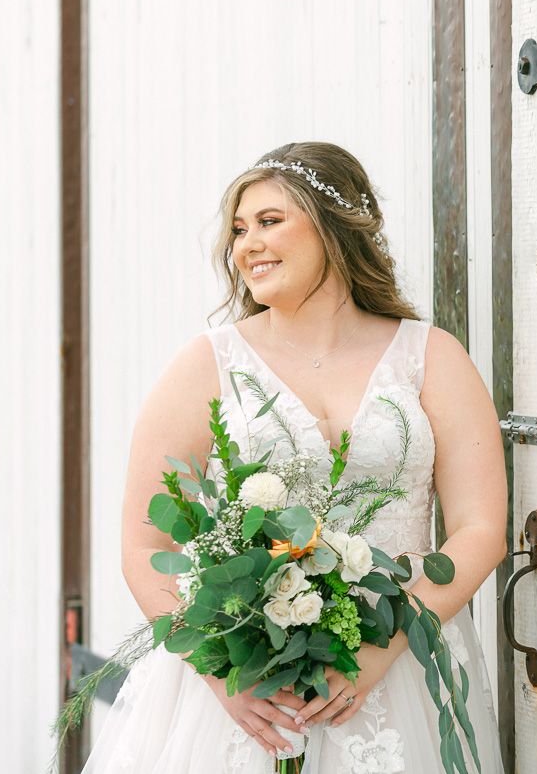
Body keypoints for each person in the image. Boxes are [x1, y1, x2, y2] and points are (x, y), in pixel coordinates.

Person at [81, 141, 508, 772]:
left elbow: (480, 531)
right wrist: (222, 673)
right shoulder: (207, 366)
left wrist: (388, 647)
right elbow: (143, 545)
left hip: (401, 671)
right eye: (237, 230)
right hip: (243, 692)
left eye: (269, 221)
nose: (246, 244)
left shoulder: (432, 358)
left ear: (334, 227)